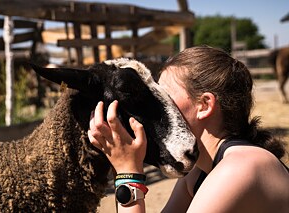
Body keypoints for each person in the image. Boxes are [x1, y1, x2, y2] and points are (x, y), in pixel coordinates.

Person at [88, 46, 289, 213]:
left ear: (204, 105)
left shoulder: (240, 168)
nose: (158, 102)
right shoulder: (199, 172)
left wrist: (127, 173)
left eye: (164, 94)